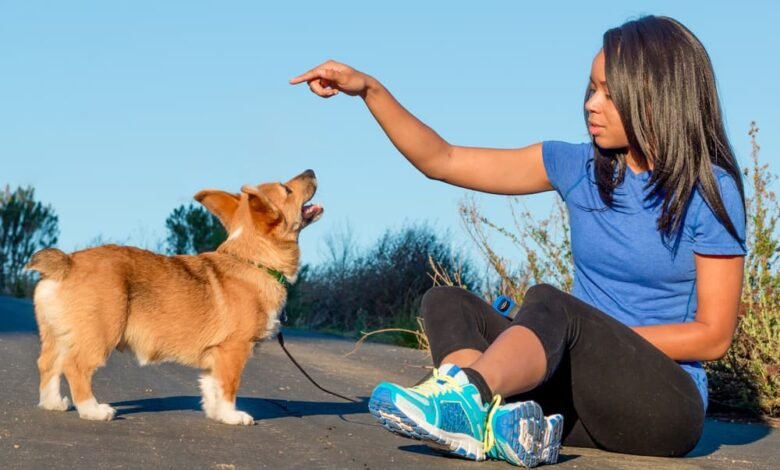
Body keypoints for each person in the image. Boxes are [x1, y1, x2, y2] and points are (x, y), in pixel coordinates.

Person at [290, 15, 746, 468]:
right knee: (447, 301)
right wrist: (369, 88)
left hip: (662, 408)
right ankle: (492, 423)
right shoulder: (578, 167)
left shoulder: (709, 189)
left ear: (656, 96)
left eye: (610, 92)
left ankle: (466, 397)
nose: (592, 103)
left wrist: (578, 338)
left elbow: (713, 337)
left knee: (551, 304)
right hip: (578, 398)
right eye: (592, 88)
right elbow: (442, 159)